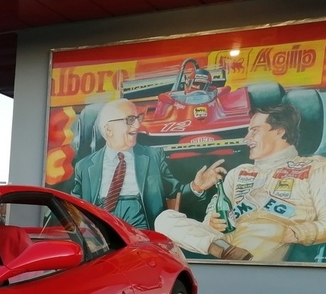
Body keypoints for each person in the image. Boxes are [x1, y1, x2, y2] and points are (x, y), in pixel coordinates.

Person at [154, 103, 326, 262]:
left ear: (279, 131)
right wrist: (214, 222)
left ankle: (235, 262)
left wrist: (294, 233)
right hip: (229, 241)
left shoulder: (320, 167)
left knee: (266, 227)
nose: (246, 139)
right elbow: (210, 223)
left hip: (274, 237)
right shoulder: (238, 173)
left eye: (254, 131)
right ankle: (226, 252)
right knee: (165, 219)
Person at [72, 98, 223, 230]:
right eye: (130, 120)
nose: (137, 125)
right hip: (102, 229)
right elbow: (71, 208)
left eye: (138, 118)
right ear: (108, 129)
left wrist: (197, 187)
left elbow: (174, 195)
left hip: (141, 230)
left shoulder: (153, 157)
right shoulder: (84, 166)